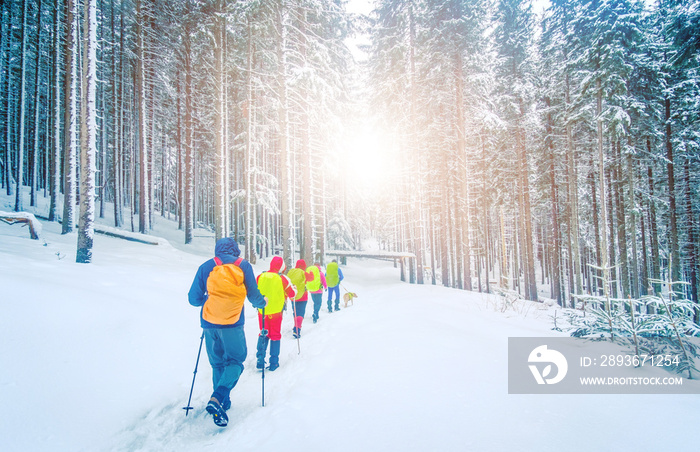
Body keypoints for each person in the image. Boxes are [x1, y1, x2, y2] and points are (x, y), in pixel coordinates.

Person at [188, 237, 267, 428]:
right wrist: (262, 303)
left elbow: (193, 299)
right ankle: (219, 396)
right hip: (232, 323)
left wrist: (209, 299)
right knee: (236, 361)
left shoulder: (207, 266)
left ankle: (222, 401)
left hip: (209, 324)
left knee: (217, 363)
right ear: (236, 250)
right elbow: (253, 296)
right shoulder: (243, 266)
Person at [256, 256, 297, 371]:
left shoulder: (260, 276)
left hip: (262, 311)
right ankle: (273, 362)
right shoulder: (282, 278)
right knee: (275, 335)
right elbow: (292, 294)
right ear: (281, 267)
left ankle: (260, 357)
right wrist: (294, 289)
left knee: (263, 332)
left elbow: (254, 290)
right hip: (276, 313)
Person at [286, 259, 314, 338]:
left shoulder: (291, 272)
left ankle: (295, 325)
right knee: (300, 312)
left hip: (293, 296)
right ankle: (297, 329)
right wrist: (311, 272)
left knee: (295, 311)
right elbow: (311, 278)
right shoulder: (303, 272)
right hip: (303, 296)